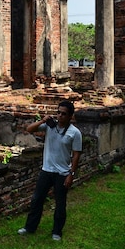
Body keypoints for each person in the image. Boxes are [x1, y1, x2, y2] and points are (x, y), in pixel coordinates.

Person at [17, 100, 82, 241]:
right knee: (37, 200)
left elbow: (76, 154)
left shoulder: (74, 133)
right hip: (46, 170)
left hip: (62, 173)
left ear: (70, 116)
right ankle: (30, 227)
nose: (60, 116)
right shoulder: (50, 126)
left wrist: (71, 174)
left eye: (63, 114)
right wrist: (42, 121)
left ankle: (57, 232)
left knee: (60, 203)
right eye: (58, 112)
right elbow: (29, 129)